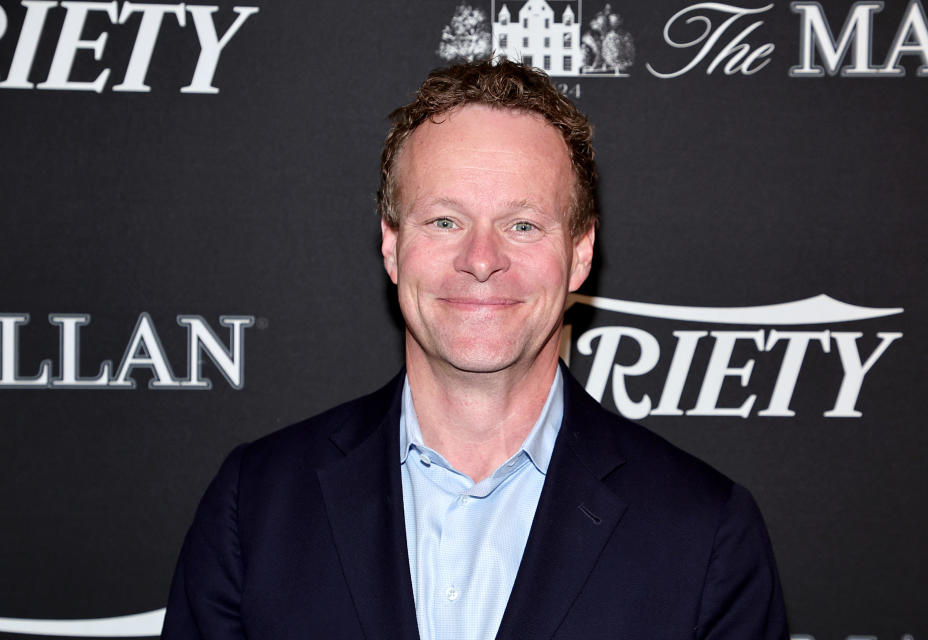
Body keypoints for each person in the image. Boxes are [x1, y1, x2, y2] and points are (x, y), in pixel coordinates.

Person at [161, 59, 788, 640]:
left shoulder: (704, 532)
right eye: (444, 221)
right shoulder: (258, 503)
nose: (482, 260)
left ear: (580, 252)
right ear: (390, 243)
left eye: (522, 225)